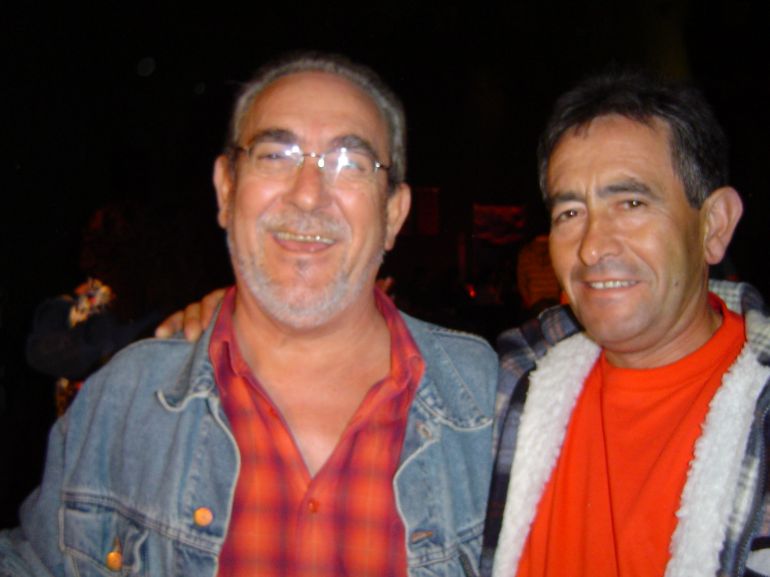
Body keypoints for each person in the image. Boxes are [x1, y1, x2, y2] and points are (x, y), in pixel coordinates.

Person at [0, 53, 498, 577]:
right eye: (275, 155)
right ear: (226, 189)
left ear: (393, 213)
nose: (308, 194)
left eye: (350, 163)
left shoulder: (492, 404)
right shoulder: (123, 401)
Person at [482, 72, 770, 577]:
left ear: (714, 224)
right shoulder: (512, 382)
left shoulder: (761, 415)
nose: (592, 247)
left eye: (631, 203)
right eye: (570, 212)